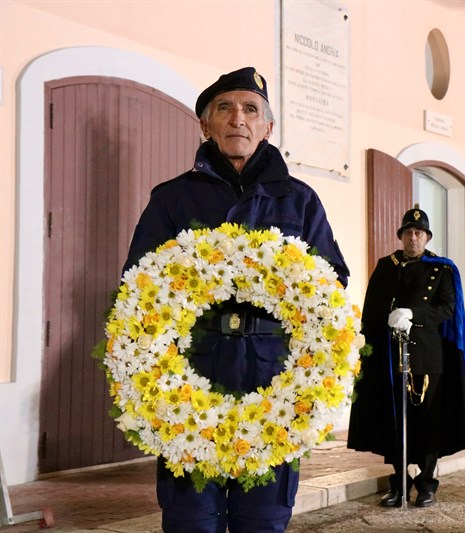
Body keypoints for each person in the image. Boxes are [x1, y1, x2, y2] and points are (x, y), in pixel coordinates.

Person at [122, 67, 349, 532]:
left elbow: (333, 284)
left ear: (268, 127)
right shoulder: (173, 199)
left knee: (263, 517)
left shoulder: (299, 200)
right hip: (191, 370)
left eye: (250, 110)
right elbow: (137, 285)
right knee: (191, 517)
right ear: (205, 125)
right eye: (224, 109)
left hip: (274, 375)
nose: (237, 119)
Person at [347, 206, 465, 508]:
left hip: (429, 357)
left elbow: (448, 310)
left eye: (419, 233)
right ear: (401, 236)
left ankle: (427, 483)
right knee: (394, 421)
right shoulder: (386, 266)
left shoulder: (442, 269)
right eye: (408, 232)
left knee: (427, 420)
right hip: (391, 357)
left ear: (427, 237)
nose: (413, 238)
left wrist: (413, 314)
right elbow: (371, 310)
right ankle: (399, 484)